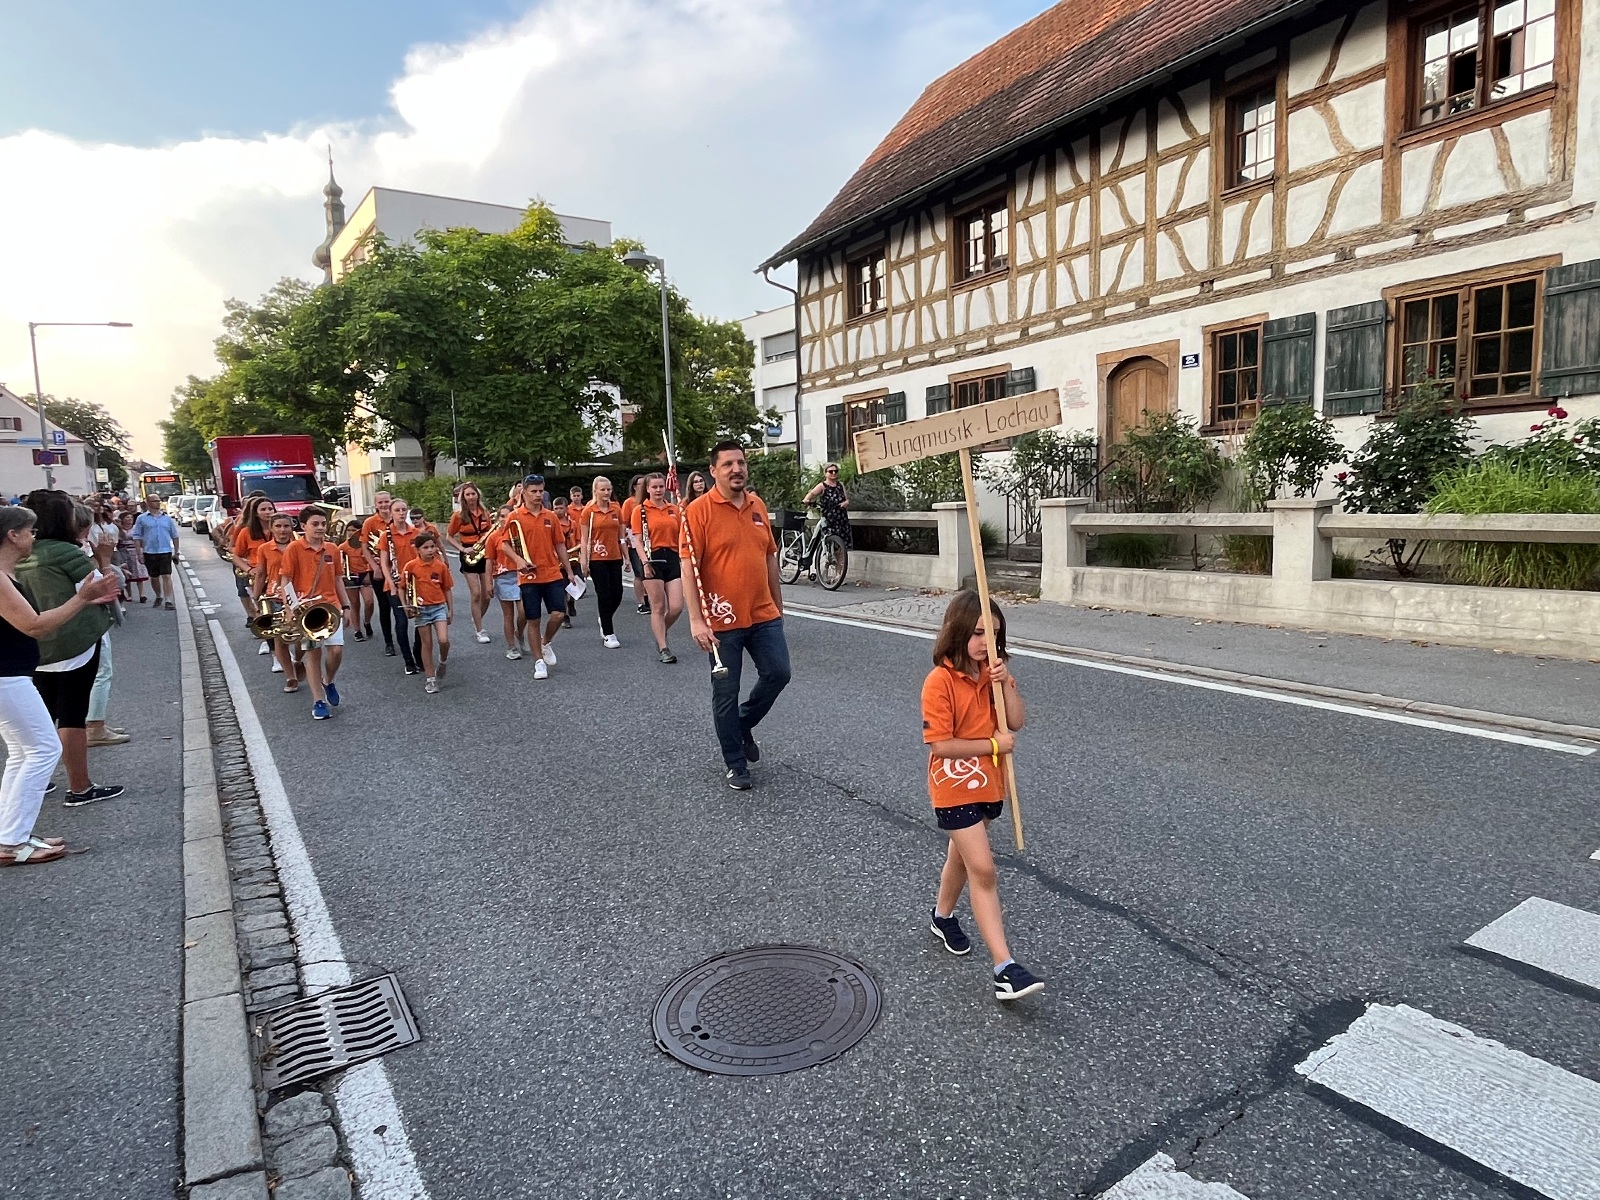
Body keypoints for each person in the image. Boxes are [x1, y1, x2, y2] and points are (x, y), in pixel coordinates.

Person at [921, 591, 1041, 1001]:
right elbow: (940, 745)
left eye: (993, 634)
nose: (986, 643)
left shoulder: (995, 673)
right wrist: (993, 745)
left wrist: (1004, 683)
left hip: (990, 784)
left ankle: (942, 916)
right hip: (952, 785)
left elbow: (1017, 722)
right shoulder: (939, 681)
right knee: (983, 869)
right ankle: (1005, 968)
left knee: (961, 856)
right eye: (977, 633)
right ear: (957, 631)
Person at [0, 505, 122, 864]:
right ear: (12, 535)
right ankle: (12, 841)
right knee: (43, 749)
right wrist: (82, 598)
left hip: (12, 673)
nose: (33, 537)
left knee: (24, 752)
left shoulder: (6, 574)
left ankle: (10, 834)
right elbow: (35, 625)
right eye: (29, 531)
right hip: (7, 675)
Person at [680, 443, 790, 791]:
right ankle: (735, 762)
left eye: (740, 462)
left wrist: (778, 604)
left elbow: (769, 555)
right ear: (714, 471)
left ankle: (741, 723)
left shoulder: (757, 505)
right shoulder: (697, 511)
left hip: (762, 613)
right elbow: (689, 567)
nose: (736, 469)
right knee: (726, 692)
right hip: (721, 620)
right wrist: (696, 620)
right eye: (727, 464)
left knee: (779, 673)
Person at [278, 507, 351, 720]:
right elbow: (286, 580)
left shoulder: (332, 549)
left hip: (330, 607)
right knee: (313, 653)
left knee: (336, 650)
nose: (320, 527)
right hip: (306, 609)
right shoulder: (294, 548)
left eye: (323, 524)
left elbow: (338, 579)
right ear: (303, 526)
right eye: (315, 524)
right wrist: (289, 608)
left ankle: (328, 680)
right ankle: (318, 701)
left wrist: (346, 606)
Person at [503, 476, 570, 680]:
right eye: (533, 491)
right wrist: (518, 561)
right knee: (533, 619)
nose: (538, 495)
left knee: (558, 614)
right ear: (523, 492)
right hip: (529, 576)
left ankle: (545, 641)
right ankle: (538, 662)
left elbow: (559, 544)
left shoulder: (550, 516)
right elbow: (505, 544)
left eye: (541, 491)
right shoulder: (515, 516)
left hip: (552, 572)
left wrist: (569, 571)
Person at [631, 473, 684, 663]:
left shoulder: (673, 509)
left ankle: (661, 630)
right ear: (647, 489)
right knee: (658, 606)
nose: (658, 490)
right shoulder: (640, 510)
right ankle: (663, 647)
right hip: (652, 557)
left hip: (672, 556)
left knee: (677, 606)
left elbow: (682, 534)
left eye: (661, 486)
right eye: (654, 487)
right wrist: (645, 563)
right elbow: (637, 540)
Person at [401, 532, 453, 694]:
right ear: (417, 550)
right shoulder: (411, 566)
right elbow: (402, 587)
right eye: (426, 547)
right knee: (427, 643)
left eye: (432, 546)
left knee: (443, 640)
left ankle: (443, 661)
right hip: (421, 610)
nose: (430, 550)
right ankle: (430, 678)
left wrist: (450, 609)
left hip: (438, 607)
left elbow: (447, 588)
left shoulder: (440, 566)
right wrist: (406, 606)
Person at [578, 476, 625, 649]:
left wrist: (626, 557)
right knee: (604, 594)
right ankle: (608, 633)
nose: (606, 493)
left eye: (609, 489)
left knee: (617, 593)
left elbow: (621, 537)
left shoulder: (616, 510)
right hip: (597, 558)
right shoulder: (588, 512)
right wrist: (584, 560)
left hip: (615, 556)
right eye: (603, 490)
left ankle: (604, 617)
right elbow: (584, 538)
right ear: (595, 491)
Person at [376, 498, 422, 676]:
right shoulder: (386, 535)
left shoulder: (416, 533)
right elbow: (384, 563)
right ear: (391, 512)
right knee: (401, 621)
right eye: (397, 510)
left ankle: (418, 654)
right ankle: (408, 661)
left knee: (421, 621)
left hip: (415, 583)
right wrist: (391, 584)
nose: (401, 513)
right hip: (394, 584)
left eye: (404, 510)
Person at [253, 513, 298, 684]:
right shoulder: (264, 549)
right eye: (278, 526)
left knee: (301, 636)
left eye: (286, 526)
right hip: (275, 596)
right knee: (280, 637)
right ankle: (290, 676)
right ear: (271, 528)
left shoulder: (299, 546)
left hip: (299, 595)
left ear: (291, 527)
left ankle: (298, 660)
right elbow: (261, 574)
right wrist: (256, 597)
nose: (282, 530)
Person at [446, 482, 494, 645]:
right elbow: (449, 536)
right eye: (468, 494)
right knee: (476, 593)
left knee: (487, 594)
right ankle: (480, 630)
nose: (471, 497)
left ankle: (477, 617)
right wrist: (462, 549)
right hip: (469, 553)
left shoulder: (485, 513)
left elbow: (490, 533)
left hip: (485, 552)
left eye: (473, 494)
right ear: (463, 497)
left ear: (478, 495)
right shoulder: (458, 516)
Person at [482, 505, 527, 659]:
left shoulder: (519, 533)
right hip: (503, 577)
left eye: (508, 516)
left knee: (525, 611)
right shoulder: (493, 537)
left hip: (521, 575)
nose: (504, 519)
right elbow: (489, 561)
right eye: (502, 516)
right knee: (508, 615)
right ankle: (511, 647)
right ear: (497, 518)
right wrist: (488, 583)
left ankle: (519, 633)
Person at [359, 491, 396, 653]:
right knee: (384, 605)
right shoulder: (370, 522)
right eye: (380, 502)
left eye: (386, 501)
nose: (384, 505)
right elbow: (364, 547)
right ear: (375, 505)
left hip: (396, 568)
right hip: (378, 569)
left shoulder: (397, 518)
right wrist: (375, 567)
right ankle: (389, 642)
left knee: (399, 606)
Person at [133, 493, 180, 610]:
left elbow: (175, 535)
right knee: (154, 577)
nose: (158, 503)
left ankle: (168, 600)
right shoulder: (142, 518)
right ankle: (159, 596)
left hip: (165, 550)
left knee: (166, 575)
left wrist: (176, 552)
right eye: (154, 501)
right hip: (150, 551)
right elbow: (137, 536)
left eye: (158, 500)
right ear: (148, 503)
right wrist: (139, 553)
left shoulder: (167, 518)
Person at [804, 462, 853, 547]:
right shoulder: (822, 486)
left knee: (842, 544)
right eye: (831, 471)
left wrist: (845, 503)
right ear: (825, 473)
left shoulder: (840, 485)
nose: (833, 473)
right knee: (829, 541)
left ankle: (840, 556)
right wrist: (806, 499)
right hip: (829, 517)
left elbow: (846, 499)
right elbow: (812, 494)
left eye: (835, 471)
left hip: (841, 517)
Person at [338, 525, 373, 642]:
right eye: (349, 530)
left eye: (354, 530)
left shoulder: (365, 545)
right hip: (351, 576)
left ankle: (367, 621)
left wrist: (368, 571)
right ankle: (357, 631)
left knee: (369, 602)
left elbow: (371, 558)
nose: (351, 532)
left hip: (365, 574)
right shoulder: (342, 546)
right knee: (355, 604)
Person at [622, 475, 650, 616]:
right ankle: (641, 602)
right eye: (640, 484)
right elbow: (624, 523)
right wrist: (624, 538)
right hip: (634, 541)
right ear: (634, 487)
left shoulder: (649, 501)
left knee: (650, 572)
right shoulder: (629, 503)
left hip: (649, 541)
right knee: (639, 572)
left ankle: (649, 598)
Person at [116, 511, 149, 604]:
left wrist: (142, 551)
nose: (130, 519)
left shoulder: (136, 528)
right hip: (123, 551)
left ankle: (142, 594)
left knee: (138, 574)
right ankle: (129, 594)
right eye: (127, 517)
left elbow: (141, 540)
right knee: (126, 573)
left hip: (135, 551)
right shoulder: (119, 529)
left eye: (131, 517)